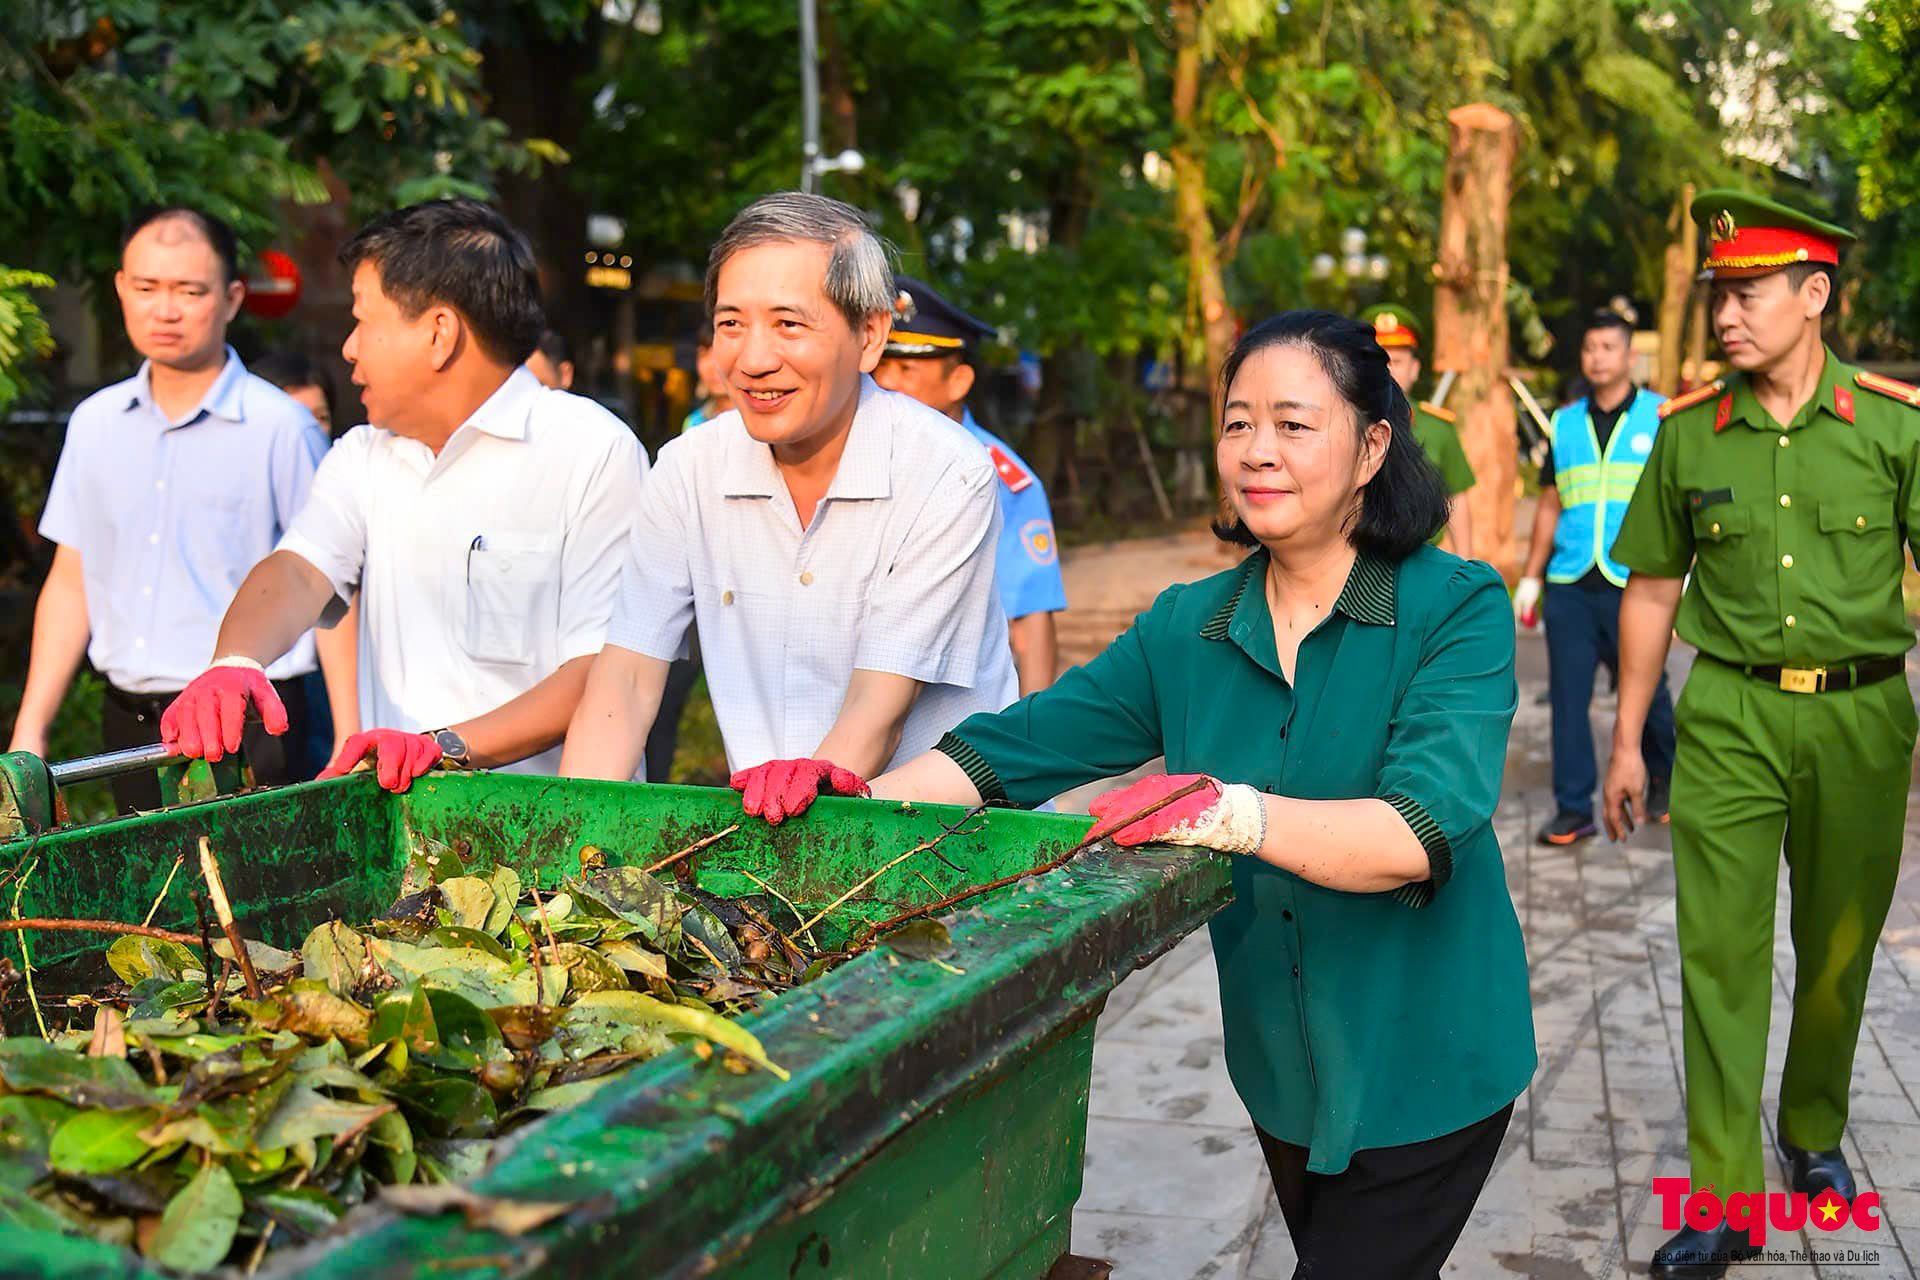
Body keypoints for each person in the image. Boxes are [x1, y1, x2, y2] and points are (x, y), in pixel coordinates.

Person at [738, 311, 1534, 1272]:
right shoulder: (1191, 625)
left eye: (1294, 424)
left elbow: (1419, 828)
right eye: (1238, 424)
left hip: (1428, 1061)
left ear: (1371, 447)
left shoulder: (1453, 607)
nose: (1258, 453)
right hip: (1280, 1069)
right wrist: (856, 795)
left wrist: (1225, 811)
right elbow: (1013, 752)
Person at [1602, 191, 1920, 1279]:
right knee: (1719, 955)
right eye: (1719, 294)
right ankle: (1727, 1194)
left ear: (1815, 292)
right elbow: (1650, 587)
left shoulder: (1893, 424)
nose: (1726, 314)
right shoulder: (1689, 432)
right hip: (1729, 711)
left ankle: (1814, 1127)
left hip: (1865, 713)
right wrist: (1628, 739)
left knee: (1839, 949)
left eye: (1747, 292)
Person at [159, 198, 646, 789]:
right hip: (402, 834)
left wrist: (438, 749)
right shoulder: (367, 453)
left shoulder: (592, 451)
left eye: (363, 320)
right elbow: (299, 572)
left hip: (556, 835)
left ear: (439, 333)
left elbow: (604, 673)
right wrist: (235, 663)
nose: (349, 349)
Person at [561, 192, 1018, 800]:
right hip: (769, 831)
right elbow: (625, 680)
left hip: (939, 843)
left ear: (870, 334)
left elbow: (876, 715)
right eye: (730, 324)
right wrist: (569, 844)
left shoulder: (946, 473)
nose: (752, 360)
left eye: (789, 324)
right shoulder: (686, 470)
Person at [6, 207, 331, 810]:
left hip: (253, 729)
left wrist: (346, 744)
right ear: (122, 290)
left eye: (190, 290)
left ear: (232, 298)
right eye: (148, 288)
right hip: (129, 727)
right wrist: (31, 729)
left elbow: (331, 584)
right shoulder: (95, 423)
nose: (166, 309)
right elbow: (72, 581)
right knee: (138, 903)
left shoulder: (281, 428)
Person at [1512, 309, 1677, 845]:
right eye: (1590, 348)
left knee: (1648, 691)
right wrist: (1531, 578)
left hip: (1638, 582)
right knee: (1567, 697)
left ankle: (1663, 780)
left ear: (1631, 356)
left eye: (1609, 347)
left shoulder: (1663, 416)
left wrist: (1684, 581)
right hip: (1571, 583)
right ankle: (1573, 807)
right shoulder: (1564, 423)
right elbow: (1549, 502)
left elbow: (1679, 505)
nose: (1597, 357)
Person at [872, 276, 1069, 696]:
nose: (887, 382)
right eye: (881, 366)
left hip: (956, 710)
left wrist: (1029, 740)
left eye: (905, 368)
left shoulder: (1001, 478)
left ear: (958, 382)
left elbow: (1031, 621)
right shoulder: (852, 456)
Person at [250, 348, 357, 770]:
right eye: (294, 419)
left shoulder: (349, 491)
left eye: (321, 418)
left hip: (318, 683)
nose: (308, 433)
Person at [1362, 303, 1475, 555]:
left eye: (1397, 362)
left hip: (1420, 560)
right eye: (1378, 360)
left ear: (1415, 369)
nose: (1387, 370)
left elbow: (1455, 498)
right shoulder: (1341, 425)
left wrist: (1466, 570)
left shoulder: (1438, 428)